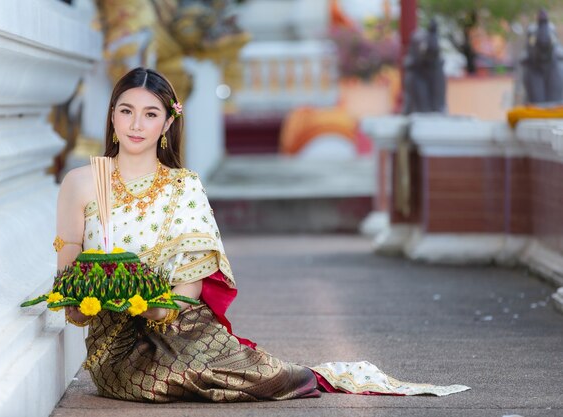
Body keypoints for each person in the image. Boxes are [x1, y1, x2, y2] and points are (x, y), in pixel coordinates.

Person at [55, 67, 469, 402]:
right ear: (111, 115)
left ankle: (307, 376)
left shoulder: (184, 187)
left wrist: (148, 306)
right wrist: (87, 304)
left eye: (150, 114)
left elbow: (189, 291)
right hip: (116, 344)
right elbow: (68, 289)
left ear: (167, 123)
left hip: (177, 323)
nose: (136, 124)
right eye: (126, 111)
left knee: (259, 378)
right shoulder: (82, 182)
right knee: (157, 382)